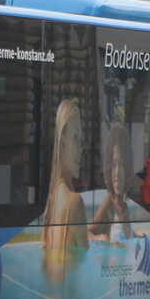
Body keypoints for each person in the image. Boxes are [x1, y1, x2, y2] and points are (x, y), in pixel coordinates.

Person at [42, 99, 88, 278]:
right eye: (76, 137)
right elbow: (86, 268)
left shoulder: (52, 201)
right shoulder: (75, 202)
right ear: (62, 141)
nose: (81, 148)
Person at [88, 121, 136, 243]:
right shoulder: (109, 203)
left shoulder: (125, 206)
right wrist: (99, 238)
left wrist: (136, 235)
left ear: (128, 167)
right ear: (108, 169)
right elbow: (87, 232)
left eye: (121, 164)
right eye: (113, 165)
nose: (117, 172)